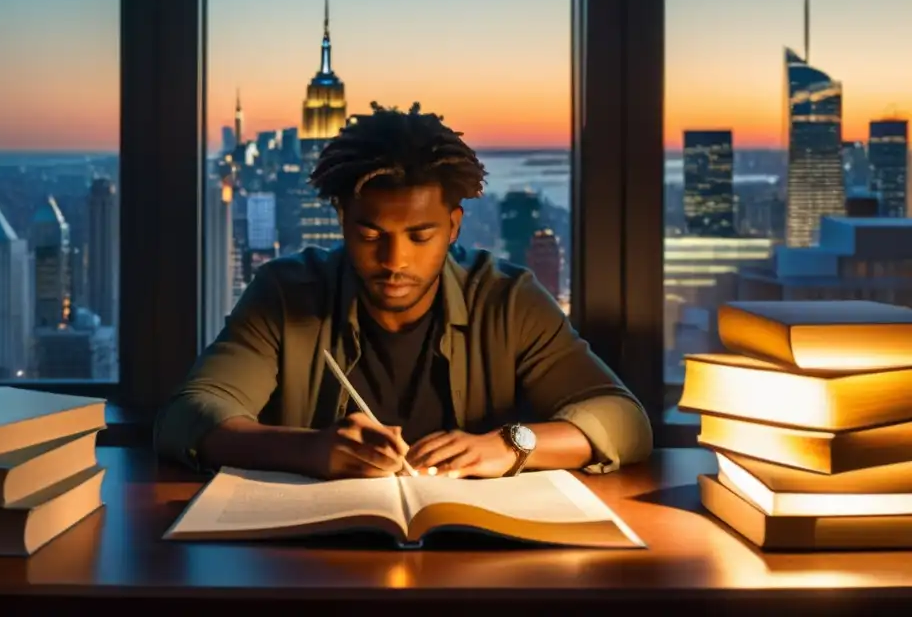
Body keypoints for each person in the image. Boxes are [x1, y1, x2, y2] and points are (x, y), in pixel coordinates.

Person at [154, 103, 653, 480]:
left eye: (420, 236)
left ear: (454, 226)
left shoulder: (506, 299)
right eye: (371, 235)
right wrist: (309, 449)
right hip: (310, 568)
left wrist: (510, 445)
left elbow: (623, 417)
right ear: (342, 222)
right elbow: (187, 416)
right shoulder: (287, 294)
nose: (394, 262)